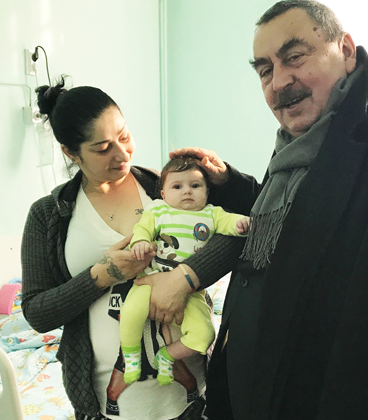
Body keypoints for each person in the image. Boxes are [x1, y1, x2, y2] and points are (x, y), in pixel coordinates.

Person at [138, 1, 368, 419]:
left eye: (295, 57)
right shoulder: (300, 144)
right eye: (265, 70)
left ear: (346, 50)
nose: (279, 81)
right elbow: (300, 221)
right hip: (254, 386)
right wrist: (229, 184)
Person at [21, 77, 233, 420]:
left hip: (191, 399)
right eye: (102, 148)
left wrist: (184, 278)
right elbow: (37, 312)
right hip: (106, 407)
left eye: (124, 136)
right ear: (70, 153)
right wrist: (102, 276)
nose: (121, 154)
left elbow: (231, 234)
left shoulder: (165, 187)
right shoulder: (49, 215)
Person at [122, 156, 249, 386]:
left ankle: (167, 356)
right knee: (130, 313)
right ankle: (131, 357)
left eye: (195, 185)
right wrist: (140, 242)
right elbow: (142, 229)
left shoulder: (212, 214)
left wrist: (241, 224)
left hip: (192, 291)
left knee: (205, 334)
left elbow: (230, 222)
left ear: (207, 192)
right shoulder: (158, 209)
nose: (187, 191)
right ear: (163, 194)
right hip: (150, 280)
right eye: (177, 186)